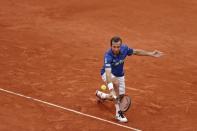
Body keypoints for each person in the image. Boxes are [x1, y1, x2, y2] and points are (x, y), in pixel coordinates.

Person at [96, 36, 163, 123]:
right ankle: (118, 113)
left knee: (120, 96)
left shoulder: (124, 49)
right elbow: (108, 74)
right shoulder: (108, 56)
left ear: (121, 46)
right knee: (115, 84)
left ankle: (102, 95)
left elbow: (136, 52)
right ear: (111, 46)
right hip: (107, 74)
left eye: (118, 46)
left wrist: (150, 53)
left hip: (120, 75)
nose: (116, 49)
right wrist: (111, 89)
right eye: (114, 47)